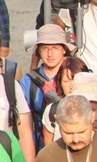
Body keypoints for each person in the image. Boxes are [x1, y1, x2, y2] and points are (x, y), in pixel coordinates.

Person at [20, 24, 76, 152]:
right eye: (45, 48)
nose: (50, 54)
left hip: (78, 142)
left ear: (64, 49)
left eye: (55, 47)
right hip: (43, 149)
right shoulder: (28, 82)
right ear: (39, 51)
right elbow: (25, 125)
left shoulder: (80, 73)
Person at [41, 56, 90, 146]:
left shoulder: (95, 108)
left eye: (75, 80)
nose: (71, 86)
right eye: (66, 81)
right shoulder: (52, 110)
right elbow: (48, 148)